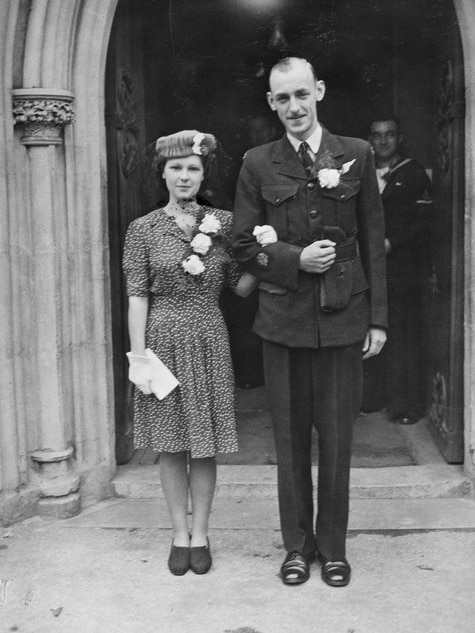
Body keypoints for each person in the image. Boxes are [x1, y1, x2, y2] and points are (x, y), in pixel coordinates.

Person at [232, 57, 387, 587]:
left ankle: (335, 548)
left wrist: (379, 320)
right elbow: (241, 245)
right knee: (291, 441)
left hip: (345, 320)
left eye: (301, 94)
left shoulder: (357, 155)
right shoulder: (257, 162)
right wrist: (295, 260)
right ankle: (297, 548)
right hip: (283, 324)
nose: (294, 108)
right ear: (271, 105)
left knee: (339, 441)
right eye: (282, 99)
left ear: (318, 90)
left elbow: (374, 243)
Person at [123, 130, 256, 576]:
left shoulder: (222, 222)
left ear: (204, 174)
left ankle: (201, 533)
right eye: (175, 168)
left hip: (208, 338)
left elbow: (239, 286)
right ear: (162, 173)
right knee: (170, 445)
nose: (184, 176)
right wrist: (138, 356)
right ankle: (178, 533)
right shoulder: (142, 229)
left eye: (193, 168)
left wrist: (262, 257)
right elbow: (138, 295)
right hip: (161, 340)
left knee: (203, 445)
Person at [363, 115, 432, 424]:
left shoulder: (413, 173)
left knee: (403, 335)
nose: (383, 140)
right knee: (372, 330)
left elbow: (424, 222)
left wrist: (392, 242)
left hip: (402, 267)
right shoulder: (363, 173)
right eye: (377, 135)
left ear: (399, 138)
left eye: (390, 134)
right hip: (370, 268)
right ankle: (374, 397)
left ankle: (407, 406)